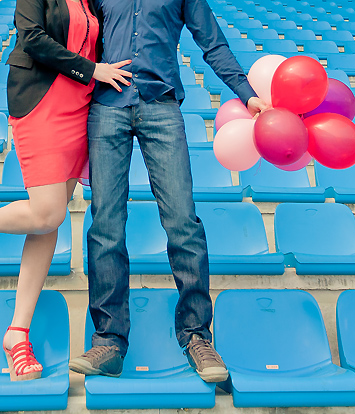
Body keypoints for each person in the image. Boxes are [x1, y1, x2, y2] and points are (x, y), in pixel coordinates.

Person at [68, 0, 269, 382]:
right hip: (107, 106)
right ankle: (108, 341)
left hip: (161, 106)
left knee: (182, 222)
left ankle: (196, 335)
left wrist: (245, 93)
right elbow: (80, 37)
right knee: (105, 226)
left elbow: (213, 43)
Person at [0, 0, 131, 381]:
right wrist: (92, 69)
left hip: (79, 107)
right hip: (41, 102)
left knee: (48, 222)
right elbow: (32, 38)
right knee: (48, 212)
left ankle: (17, 333)